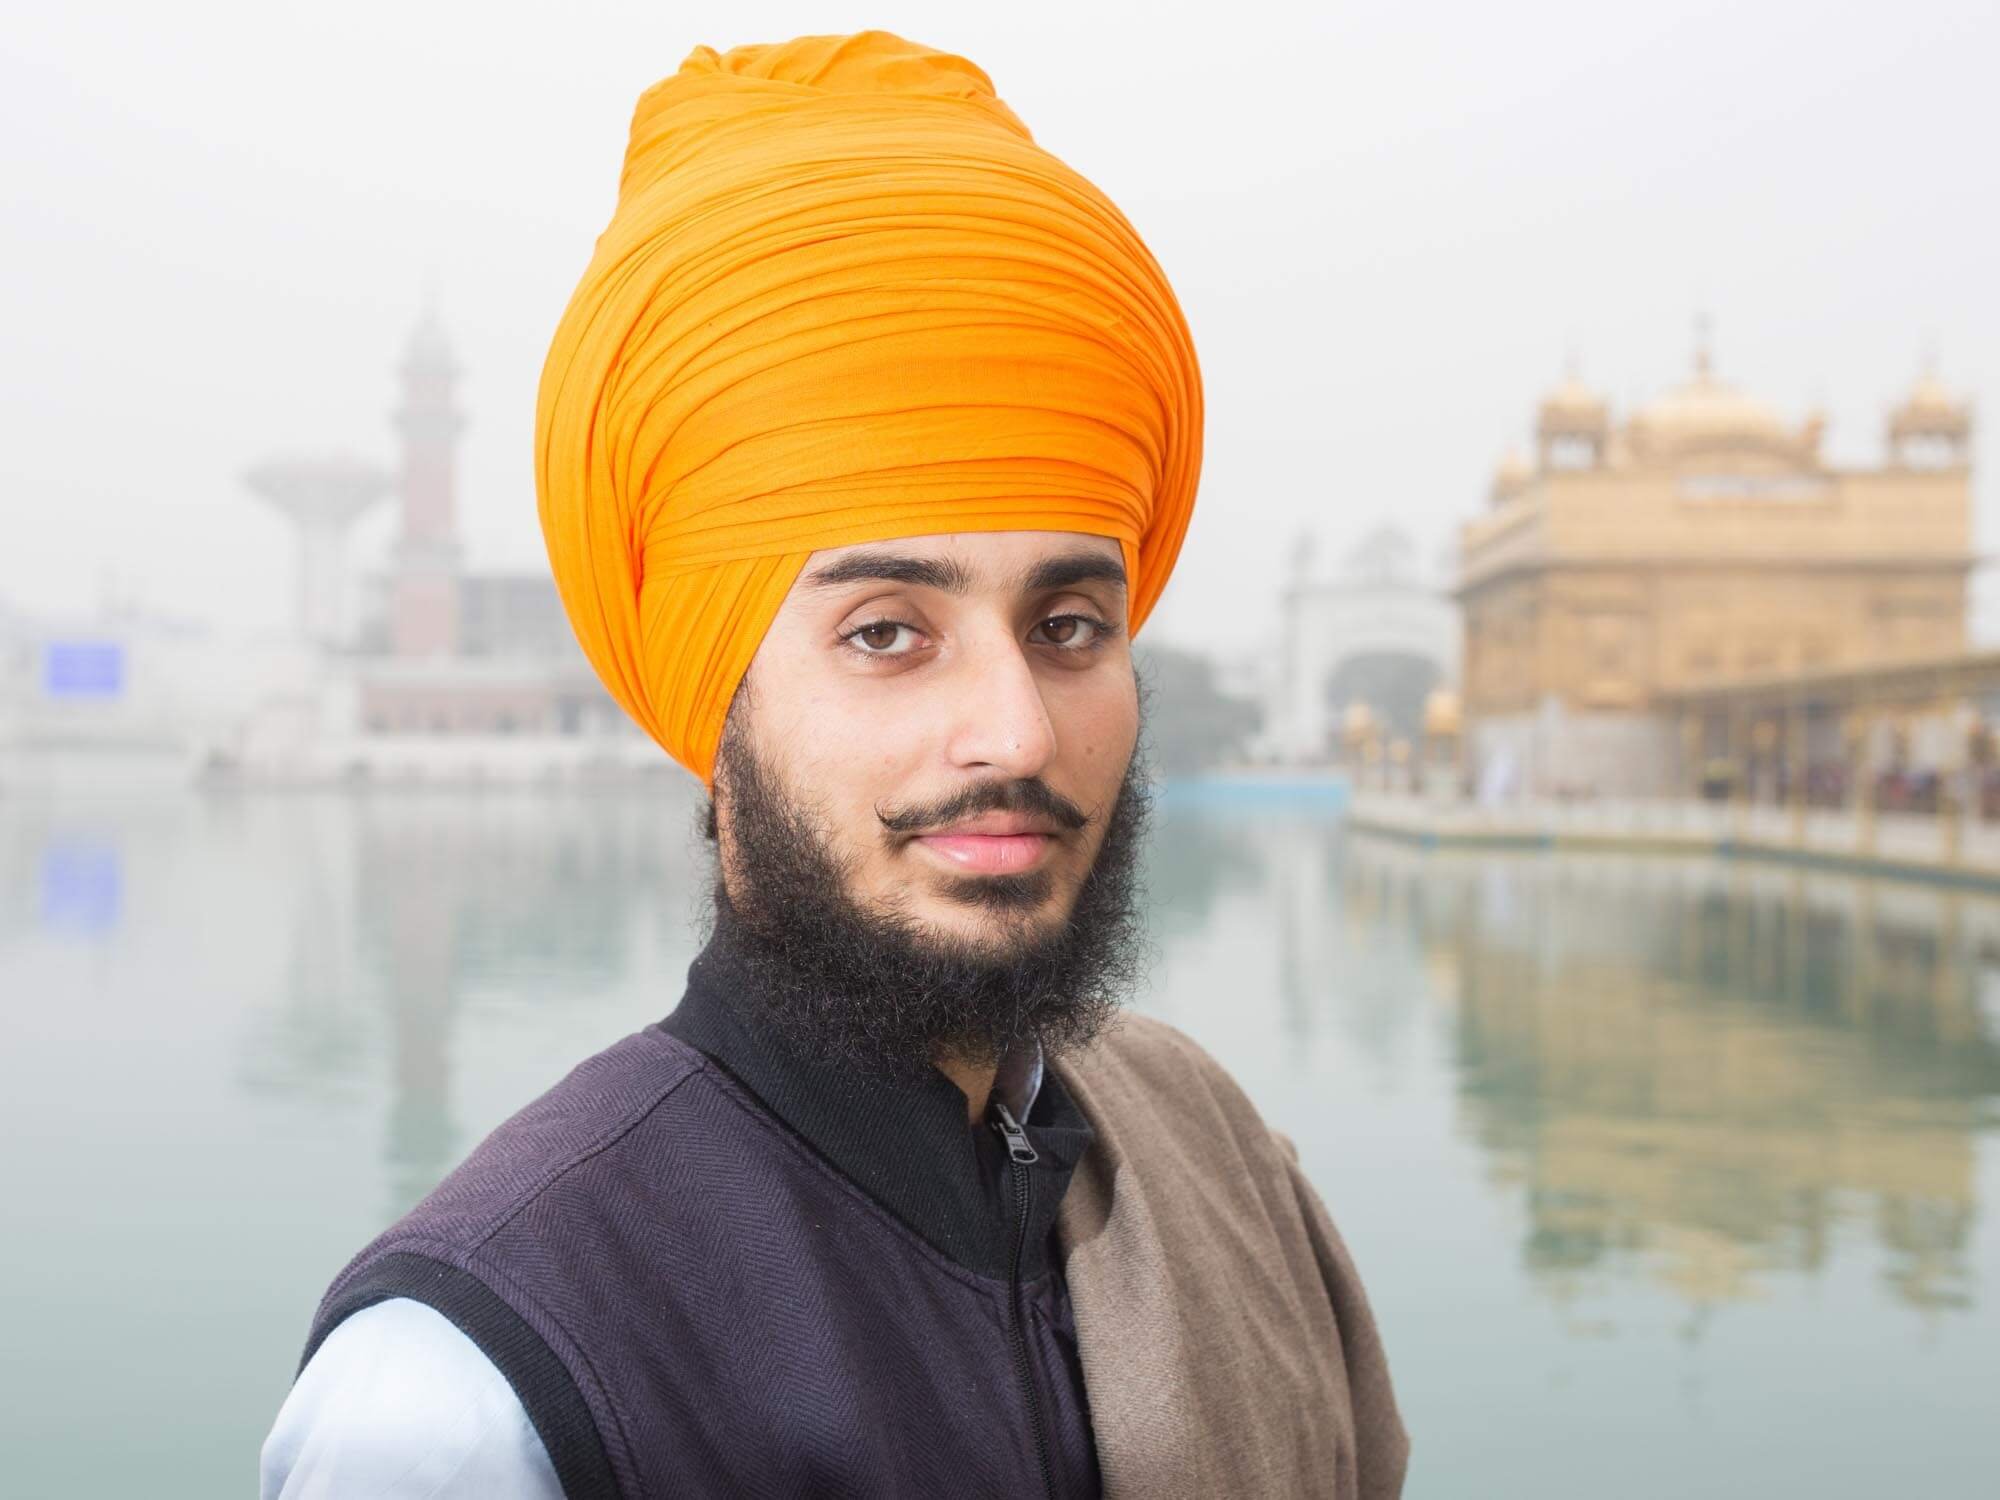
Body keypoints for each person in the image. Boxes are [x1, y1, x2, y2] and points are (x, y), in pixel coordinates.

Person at [262, 30, 1407, 1499]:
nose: (1018, 732)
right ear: (715, 690)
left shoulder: (1214, 1162)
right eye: (886, 634)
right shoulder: (481, 1389)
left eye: (1068, 625)